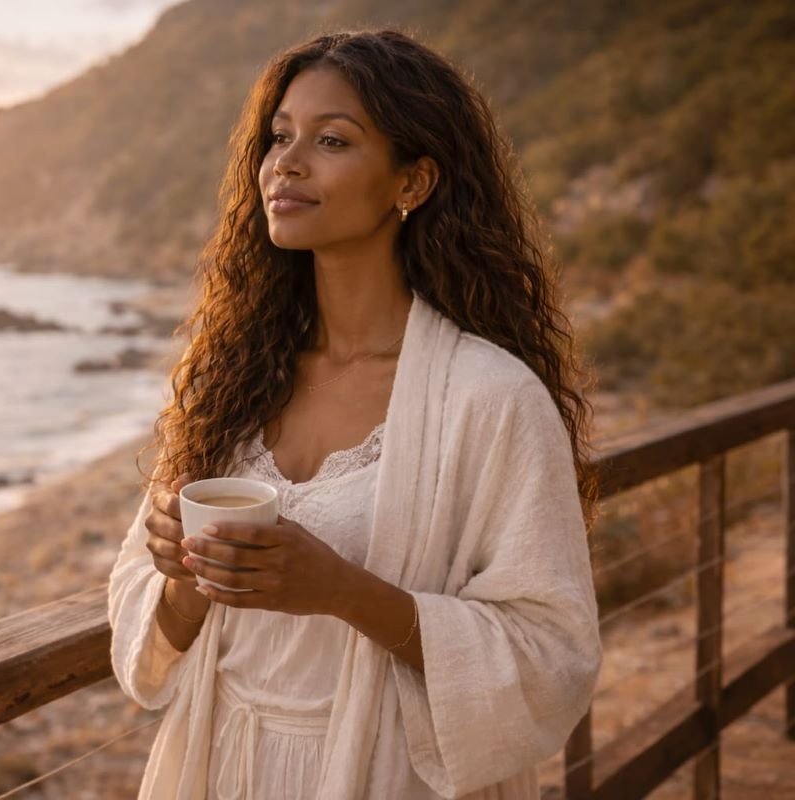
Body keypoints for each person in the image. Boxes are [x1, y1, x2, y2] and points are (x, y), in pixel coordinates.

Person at [107, 27, 602, 800]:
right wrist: (186, 575)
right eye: (279, 137)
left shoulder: (490, 399)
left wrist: (343, 591)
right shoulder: (230, 384)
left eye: (331, 140)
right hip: (217, 767)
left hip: (386, 777)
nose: (287, 163)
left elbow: (551, 653)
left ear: (413, 181)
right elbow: (147, 644)